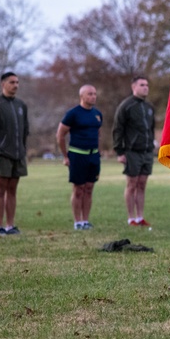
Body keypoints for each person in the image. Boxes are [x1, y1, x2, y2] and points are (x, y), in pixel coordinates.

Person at [0, 72, 29, 236]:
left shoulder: (21, 105)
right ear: (3, 84)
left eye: (17, 82)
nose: (15, 85)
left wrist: (23, 151)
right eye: (12, 82)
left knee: (13, 190)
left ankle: (10, 225)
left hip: (18, 155)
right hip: (1, 155)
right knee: (0, 190)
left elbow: (25, 131)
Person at [57, 85, 102, 231]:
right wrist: (65, 156)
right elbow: (60, 135)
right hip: (77, 155)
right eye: (90, 94)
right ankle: (77, 221)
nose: (93, 96)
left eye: (95, 94)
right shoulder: (73, 114)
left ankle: (85, 220)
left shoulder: (97, 114)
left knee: (89, 188)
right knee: (79, 189)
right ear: (82, 96)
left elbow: (98, 134)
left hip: (93, 156)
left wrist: (98, 151)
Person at [113, 76, 156, 226]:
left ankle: (140, 217)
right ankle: (131, 218)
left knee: (142, 184)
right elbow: (118, 129)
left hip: (147, 151)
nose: (146, 88)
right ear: (134, 87)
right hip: (132, 151)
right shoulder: (126, 106)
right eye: (142, 85)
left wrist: (152, 144)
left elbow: (150, 129)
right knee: (132, 184)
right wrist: (120, 151)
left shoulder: (149, 107)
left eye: (147, 85)